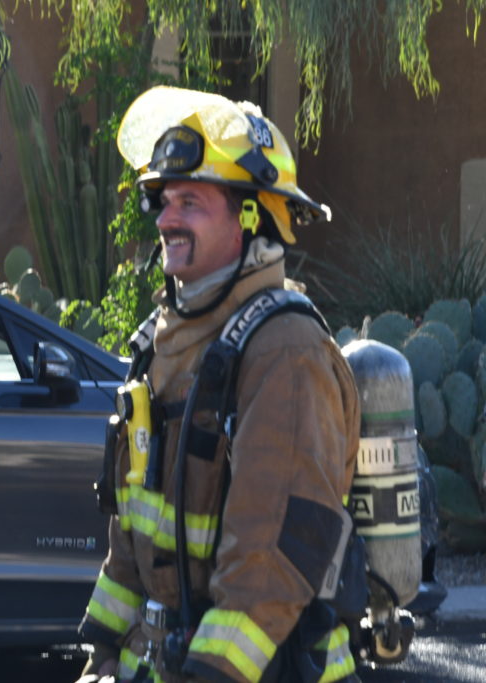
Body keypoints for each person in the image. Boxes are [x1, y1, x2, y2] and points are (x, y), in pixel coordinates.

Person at [77, 87, 361, 682]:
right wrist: (102, 651)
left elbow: (267, 562)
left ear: (250, 218)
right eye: (164, 201)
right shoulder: (165, 344)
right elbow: (136, 534)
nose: (165, 219)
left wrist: (209, 673)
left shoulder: (286, 353)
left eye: (190, 202)